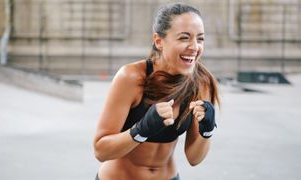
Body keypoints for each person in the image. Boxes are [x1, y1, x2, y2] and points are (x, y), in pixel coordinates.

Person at [93, 3, 220, 180]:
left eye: (200, 39)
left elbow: (194, 158)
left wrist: (207, 131)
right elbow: (101, 151)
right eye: (184, 38)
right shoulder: (132, 77)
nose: (194, 46)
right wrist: (141, 130)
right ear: (159, 41)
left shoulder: (201, 83)